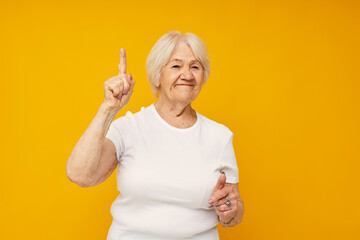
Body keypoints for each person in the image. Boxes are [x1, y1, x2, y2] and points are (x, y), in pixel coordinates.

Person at [66, 30, 244, 239]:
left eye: (195, 67)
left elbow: (234, 212)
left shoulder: (219, 137)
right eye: (176, 66)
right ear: (157, 75)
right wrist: (108, 108)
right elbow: (80, 175)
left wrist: (230, 210)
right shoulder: (129, 127)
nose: (187, 75)